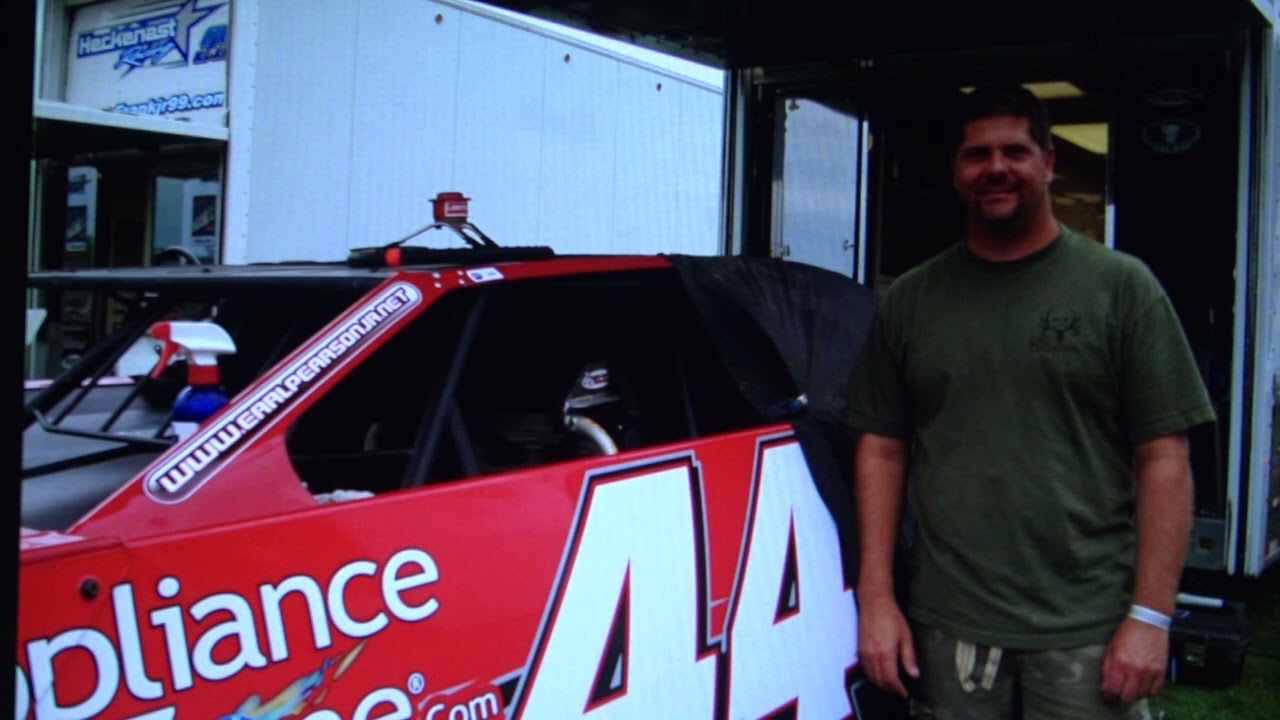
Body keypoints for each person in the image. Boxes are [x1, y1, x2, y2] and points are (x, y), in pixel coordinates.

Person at [847, 82, 1216, 719]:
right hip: (950, 628)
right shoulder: (910, 300)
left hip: (1088, 631)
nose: (995, 168)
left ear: (1048, 161)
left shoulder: (1121, 289)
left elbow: (1164, 458)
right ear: (957, 170)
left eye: (1015, 151)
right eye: (976, 154)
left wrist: (1151, 617)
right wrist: (876, 600)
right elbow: (881, 449)